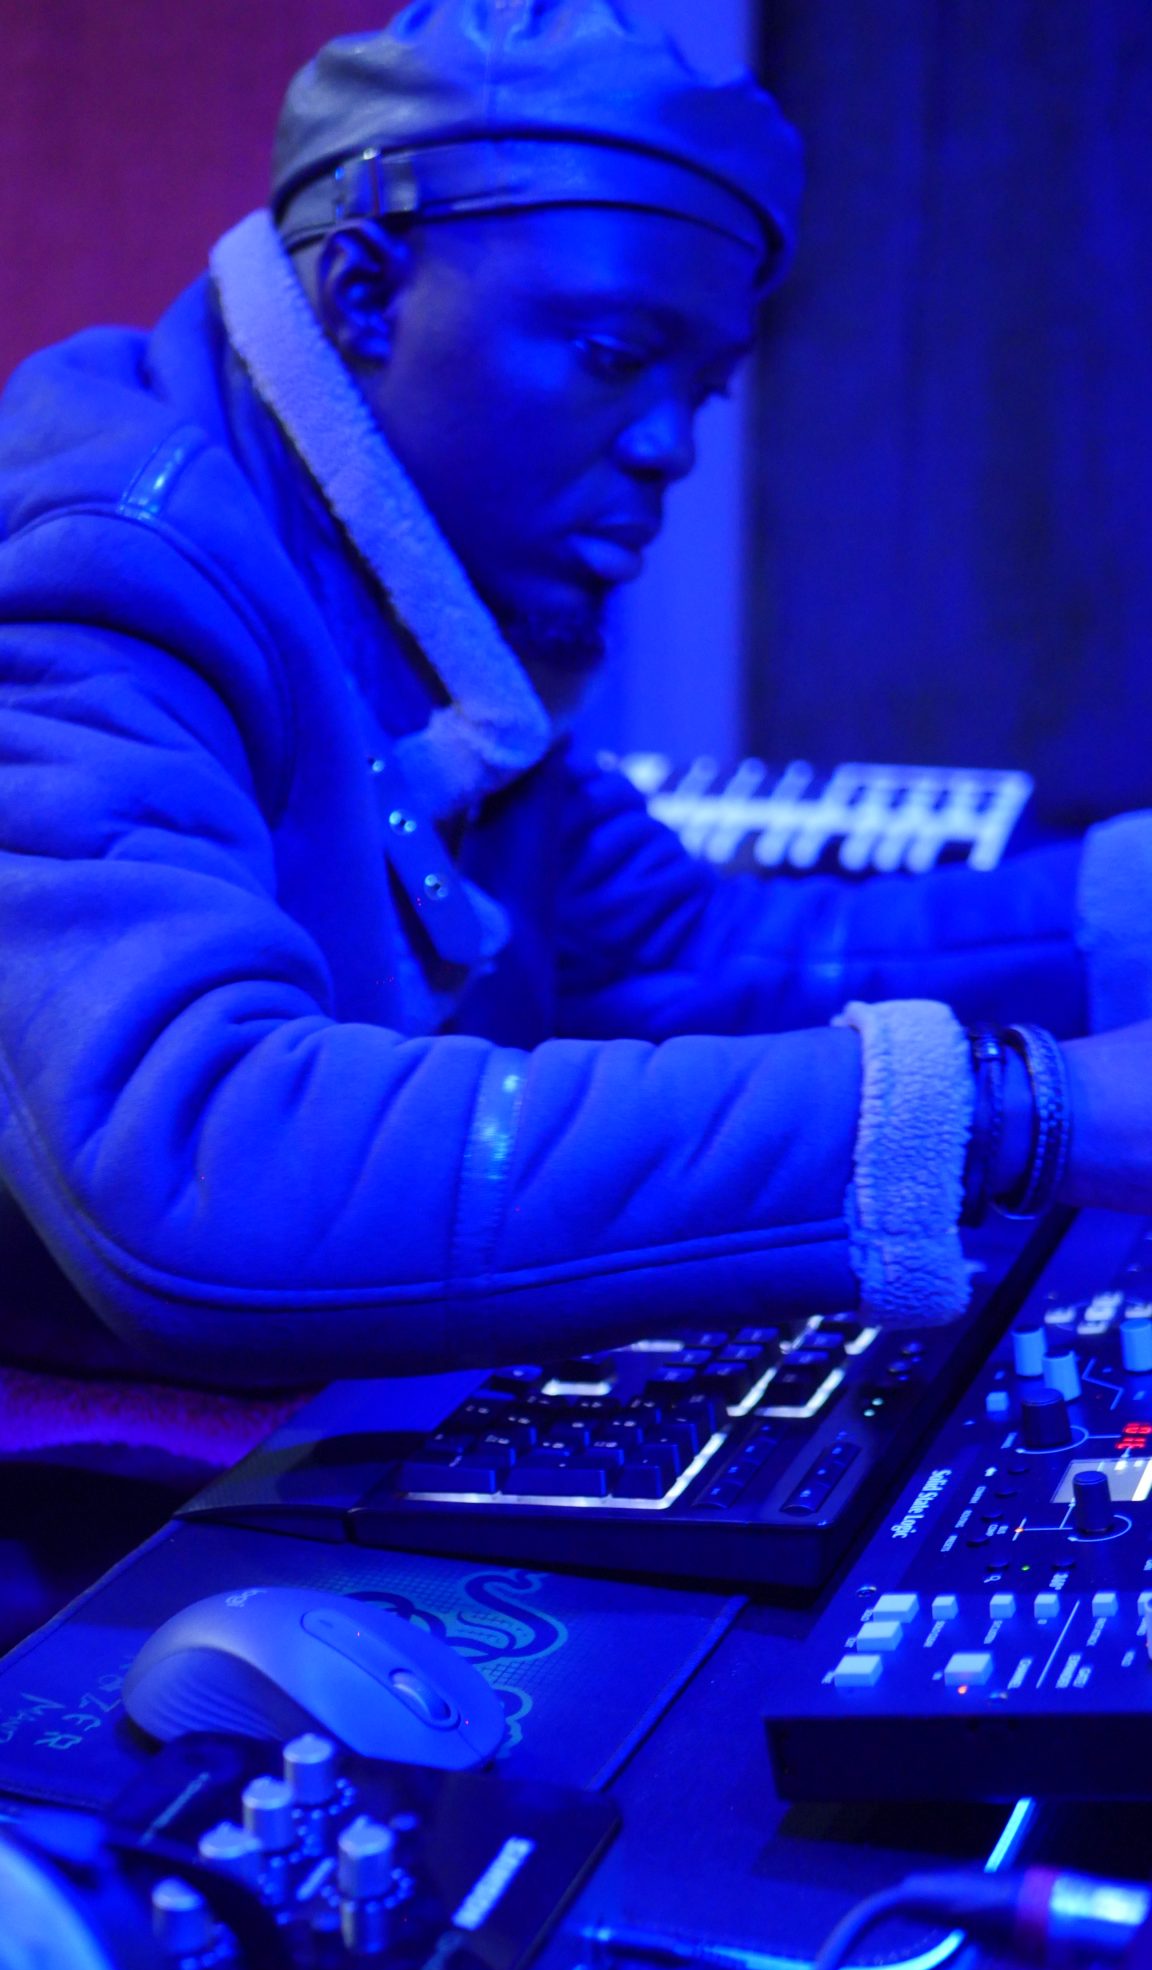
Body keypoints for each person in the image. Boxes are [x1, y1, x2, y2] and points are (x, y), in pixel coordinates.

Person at [1, 0, 1152, 1495]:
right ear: (365, 291)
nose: (673, 446)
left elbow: (671, 957)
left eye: (701, 387)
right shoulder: (104, 566)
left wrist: (1128, 916)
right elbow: (200, 1158)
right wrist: (1019, 1112)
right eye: (615, 355)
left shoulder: (418, 588)